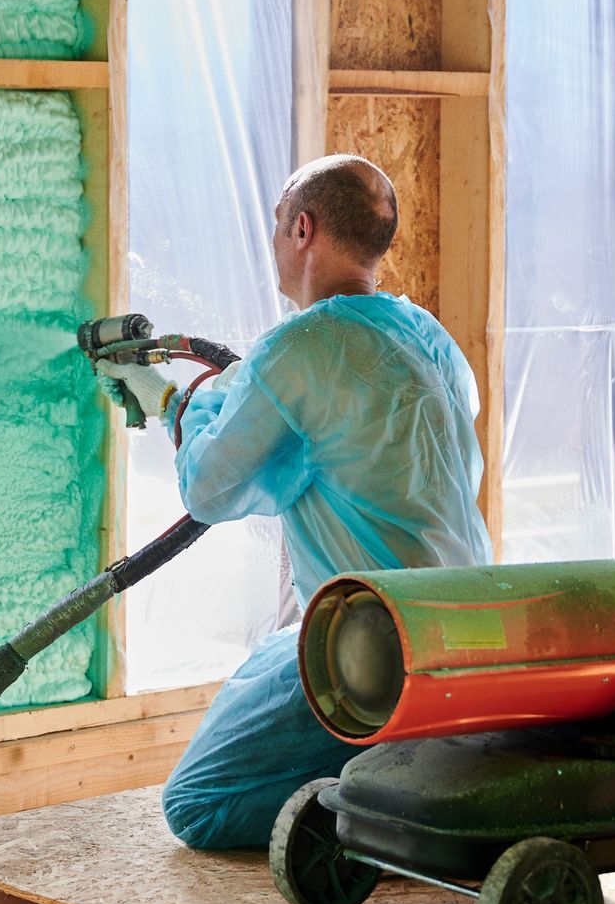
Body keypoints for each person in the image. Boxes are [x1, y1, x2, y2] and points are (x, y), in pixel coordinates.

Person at [98, 153, 492, 851]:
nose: (276, 239)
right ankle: (419, 771)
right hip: (466, 632)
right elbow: (342, 433)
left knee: (195, 802)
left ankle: (392, 809)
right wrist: (180, 399)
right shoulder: (425, 335)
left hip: (373, 645)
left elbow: (210, 487)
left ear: (302, 228)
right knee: (273, 650)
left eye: (279, 224)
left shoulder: (301, 349)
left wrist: (172, 404)